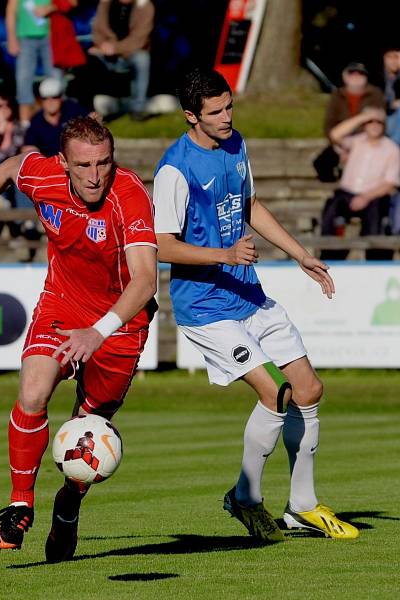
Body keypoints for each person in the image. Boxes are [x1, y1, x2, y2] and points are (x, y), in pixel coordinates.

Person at [152, 68, 358, 542]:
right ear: (191, 116)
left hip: (248, 293)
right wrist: (224, 254)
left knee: (307, 388)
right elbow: (161, 245)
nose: (227, 117)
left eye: (229, 107)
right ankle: (245, 497)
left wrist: (300, 255)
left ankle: (302, 507)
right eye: (216, 112)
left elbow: (250, 206)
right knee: (275, 395)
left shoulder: (235, 143)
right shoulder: (174, 170)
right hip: (206, 307)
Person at [0, 116, 158, 562]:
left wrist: (99, 333)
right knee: (34, 388)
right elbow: (6, 169)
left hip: (120, 326)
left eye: (104, 163)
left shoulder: (130, 195)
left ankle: (69, 506)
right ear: (63, 163)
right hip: (63, 305)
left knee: (87, 434)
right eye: (84, 166)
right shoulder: (43, 174)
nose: (96, 175)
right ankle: (21, 503)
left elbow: (146, 281)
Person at [319, 108, 399, 261]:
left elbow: (390, 183)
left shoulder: (392, 149)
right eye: (370, 121)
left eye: (378, 122)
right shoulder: (356, 141)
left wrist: (366, 197)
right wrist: (362, 117)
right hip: (346, 193)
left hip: (373, 196)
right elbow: (335, 134)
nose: (374, 125)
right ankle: (329, 256)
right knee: (331, 208)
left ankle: (375, 261)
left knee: (376, 216)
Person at [89, 0, 154, 117]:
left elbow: (139, 39)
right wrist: (101, 45)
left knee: (142, 59)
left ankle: (137, 109)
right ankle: (88, 107)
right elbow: (97, 29)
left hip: (131, 52)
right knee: (88, 56)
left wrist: (114, 48)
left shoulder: (145, 6)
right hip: (105, 51)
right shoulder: (105, 4)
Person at [6, 0, 56, 123]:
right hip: (25, 38)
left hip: (50, 37)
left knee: (55, 79)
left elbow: (65, 3)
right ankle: (25, 123)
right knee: (23, 79)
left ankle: (57, 122)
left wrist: (50, 8)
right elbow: (11, 11)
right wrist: (12, 37)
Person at [22, 76, 89, 157]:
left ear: (61, 97)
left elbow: (92, 119)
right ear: (40, 100)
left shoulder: (72, 109)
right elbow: (28, 148)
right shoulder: (36, 122)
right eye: (45, 98)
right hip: (50, 164)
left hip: (77, 158)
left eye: (54, 97)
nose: (50, 101)